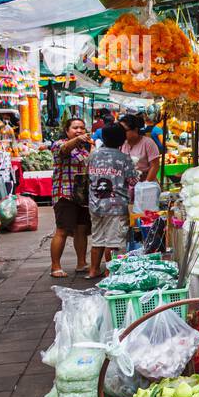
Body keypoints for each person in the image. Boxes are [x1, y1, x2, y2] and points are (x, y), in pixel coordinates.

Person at [86, 123, 138, 278]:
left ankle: (93, 270)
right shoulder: (123, 158)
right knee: (113, 241)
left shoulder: (93, 155)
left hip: (95, 203)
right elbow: (133, 180)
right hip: (116, 206)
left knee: (97, 238)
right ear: (122, 140)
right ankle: (111, 272)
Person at [50, 117, 92, 278]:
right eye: (75, 128)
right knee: (62, 230)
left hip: (82, 196)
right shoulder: (59, 144)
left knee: (81, 229)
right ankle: (55, 267)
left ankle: (81, 263)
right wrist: (77, 139)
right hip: (64, 194)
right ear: (67, 130)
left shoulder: (84, 149)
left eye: (82, 127)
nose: (79, 130)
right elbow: (65, 149)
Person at [120, 113, 162, 183]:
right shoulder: (122, 143)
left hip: (146, 183)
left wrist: (145, 184)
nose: (122, 133)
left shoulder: (148, 143)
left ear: (135, 130)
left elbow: (154, 166)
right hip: (128, 185)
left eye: (125, 130)